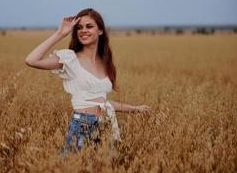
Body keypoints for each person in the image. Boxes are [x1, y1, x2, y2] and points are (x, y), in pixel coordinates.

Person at [25, 8, 150, 154]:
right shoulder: (70, 59)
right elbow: (31, 60)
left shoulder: (105, 63)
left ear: (100, 30)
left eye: (89, 26)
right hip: (82, 126)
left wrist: (136, 109)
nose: (83, 30)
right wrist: (60, 33)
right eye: (79, 27)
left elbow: (102, 102)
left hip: (104, 126)